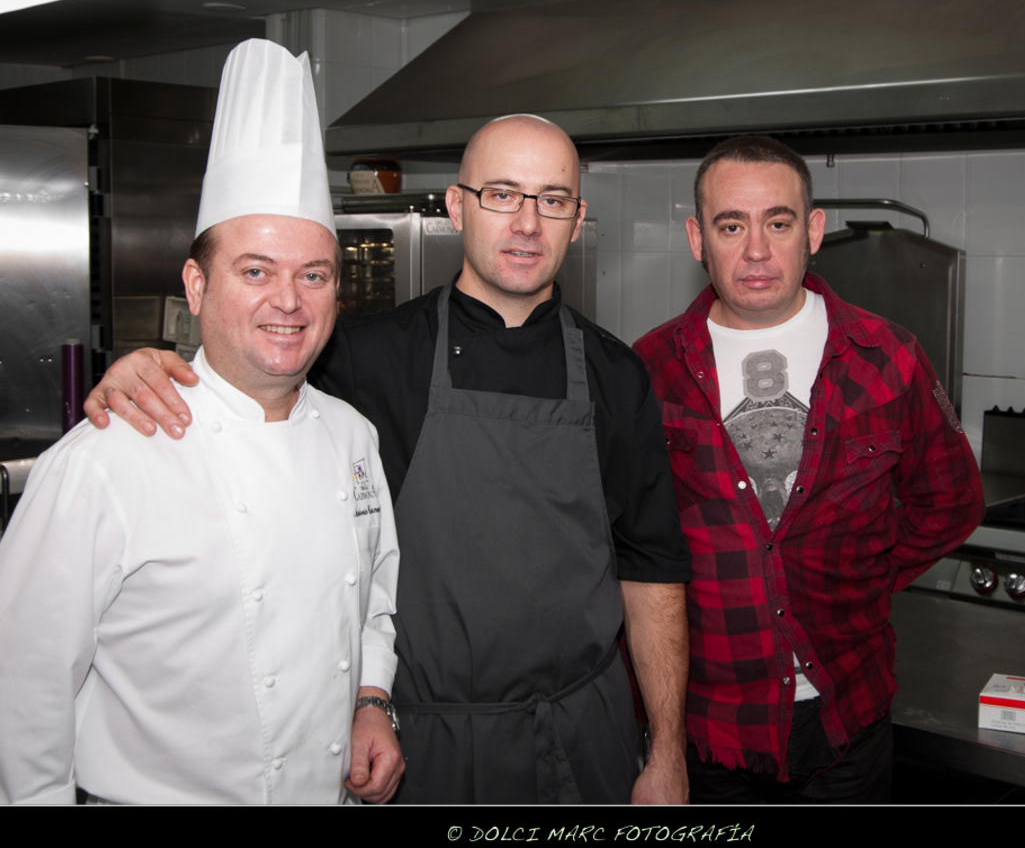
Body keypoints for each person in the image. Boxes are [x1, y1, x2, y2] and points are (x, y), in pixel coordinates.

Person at [81, 114, 691, 805]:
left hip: (585, 738)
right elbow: (243, 389)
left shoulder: (618, 374)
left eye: (552, 199)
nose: (527, 222)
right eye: (502, 194)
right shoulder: (361, 358)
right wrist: (152, 367)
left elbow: (652, 575)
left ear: (576, 221)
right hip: (415, 742)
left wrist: (666, 750)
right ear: (458, 206)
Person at [0, 39, 402, 805]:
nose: (288, 301)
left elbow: (375, 596)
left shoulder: (352, 434)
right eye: (255, 271)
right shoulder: (105, 460)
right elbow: (20, 687)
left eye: (312, 275)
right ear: (195, 282)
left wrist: (370, 699)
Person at [633, 135, 985, 803]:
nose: (756, 249)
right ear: (697, 238)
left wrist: (862, 576)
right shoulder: (649, 371)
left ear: (813, 231)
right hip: (708, 730)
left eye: (779, 221)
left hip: (846, 718)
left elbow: (951, 501)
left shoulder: (887, 358)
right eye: (731, 225)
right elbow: (626, 548)